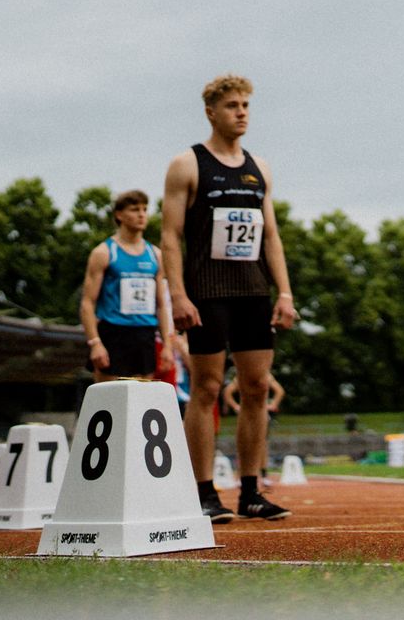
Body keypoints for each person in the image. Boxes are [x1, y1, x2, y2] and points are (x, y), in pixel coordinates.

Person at [162, 74, 299, 522]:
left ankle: (250, 491)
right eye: (232, 106)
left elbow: (271, 236)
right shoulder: (188, 164)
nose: (241, 112)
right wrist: (178, 295)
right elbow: (169, 238)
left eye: (246, 105)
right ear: (211, 112)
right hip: (206, 294)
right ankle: (203, 492)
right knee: (205, 389)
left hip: (253, 293)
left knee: (256, 388)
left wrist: (284, 292)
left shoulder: (259, 167)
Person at [80, 189, 176, 383]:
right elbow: (88, 303)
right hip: (114, 333)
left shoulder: (155, 255)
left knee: (140, 401)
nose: (141, 215)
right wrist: (95, 343)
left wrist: (167, 345)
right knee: (109, 401)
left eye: (144, 209)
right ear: (119, 215)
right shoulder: (104, 252)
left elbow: (162, 305)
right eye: (134, 209)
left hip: (144, 334)